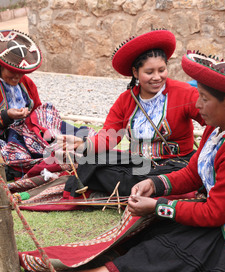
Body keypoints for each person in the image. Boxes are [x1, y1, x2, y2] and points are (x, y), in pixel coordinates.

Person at [28, 51, 225, 272]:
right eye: (148, 72)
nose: (197, 105)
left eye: (203, 98)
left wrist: (158, 205)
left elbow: (214, 213)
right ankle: (100, 269)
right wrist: (155, 184)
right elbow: (192, 172)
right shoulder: (219, 127)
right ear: (136, 75)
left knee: (178, 249)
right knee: (157, 227)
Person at [63, 29, 205, 196]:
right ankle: (153, 190)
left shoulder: (184, 93)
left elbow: (212, 121)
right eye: (149, 72)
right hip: (137, 163)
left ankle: (154, 188)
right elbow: (109, 135)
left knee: (177, 177)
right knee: (90, 163)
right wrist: (84, 144)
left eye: (162, 70)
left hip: (176, 164)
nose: (157, 77)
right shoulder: (126, 100)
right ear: (136, 73)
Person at [0, 29, 91, 180]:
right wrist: (6, 116)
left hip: (22, 135)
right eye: (12, 72)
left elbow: (38, 112)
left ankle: (83, 144)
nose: (17, 77)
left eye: (21, 72)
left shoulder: (27, 83)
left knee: (54, 128)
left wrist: (33, 123)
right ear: (0, 65)